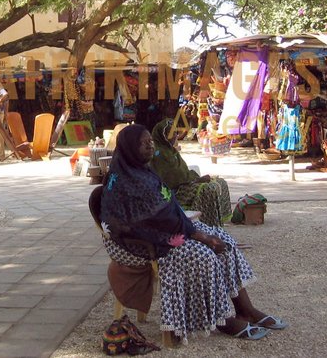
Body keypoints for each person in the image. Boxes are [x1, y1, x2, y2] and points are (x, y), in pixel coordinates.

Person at [100, 125, 287, 342]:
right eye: (144, 143)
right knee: (204, 255)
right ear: (130, 148)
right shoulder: (127, 180)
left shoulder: (141, 170)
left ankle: (245, 309)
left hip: (165, 230)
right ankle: (223, 319)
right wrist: (201, 237)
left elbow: (165, 210)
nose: (151, 145)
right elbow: (149, 221)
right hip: (140, 242)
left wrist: (196, 231)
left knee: (224, 240)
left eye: (151, 140)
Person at [150, 119, 232, 226]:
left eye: (175, 133)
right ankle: (208, 223)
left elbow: (182, 173)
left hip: (186, 182)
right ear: (162, 135)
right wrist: (197, 180)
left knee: (220, 182)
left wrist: (195, 179)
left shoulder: (171, 150)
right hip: (175, 191)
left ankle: (220, 220)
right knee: (208, 190)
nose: (174, 136)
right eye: (170, 133)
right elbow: (172, 179)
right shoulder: (159, 154)